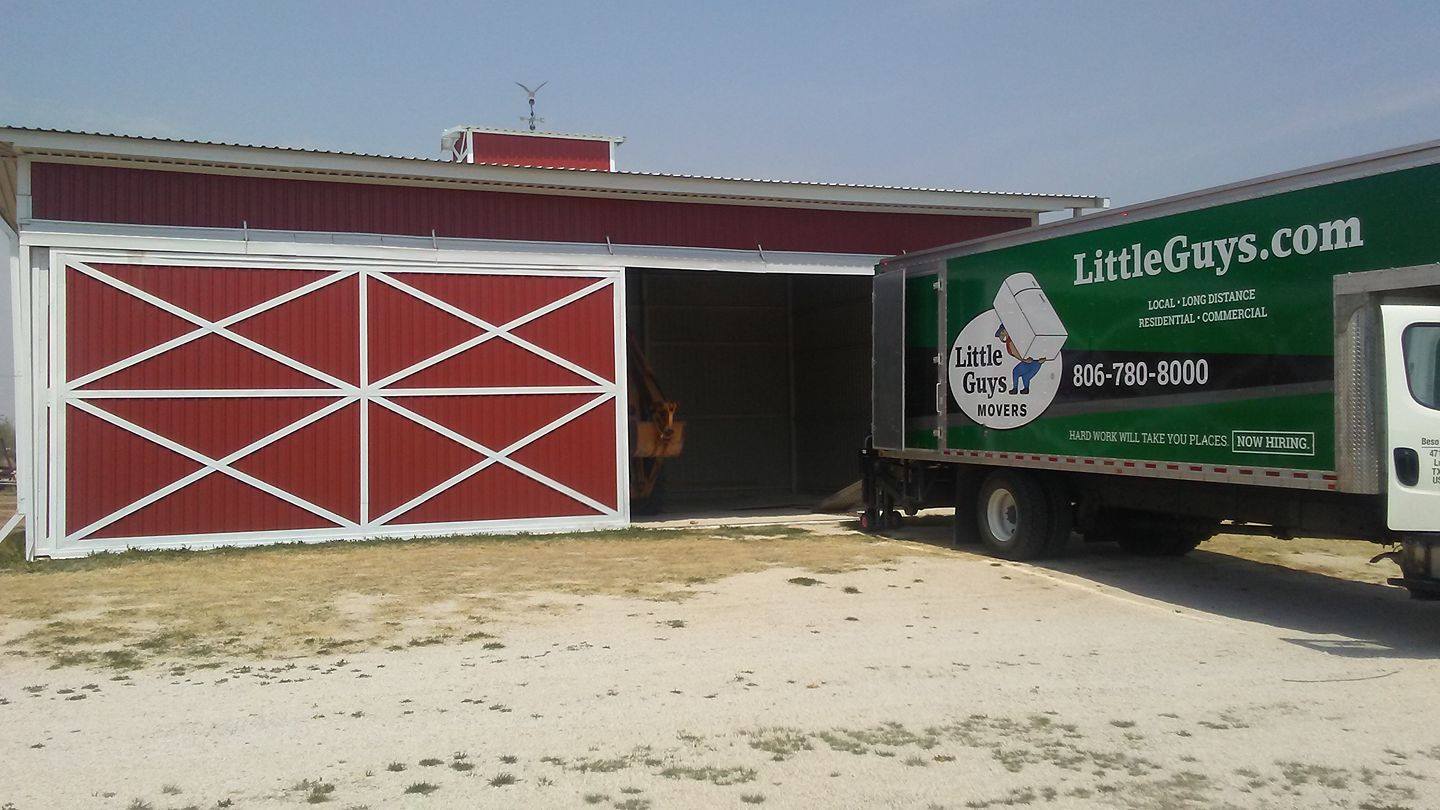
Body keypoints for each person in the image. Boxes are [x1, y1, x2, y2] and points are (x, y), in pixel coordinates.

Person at [996, 325, 1046, 395]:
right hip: (1035, 362)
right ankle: (1025, 389)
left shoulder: (1010, 341)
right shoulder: (1010, 340)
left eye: (1003, 332)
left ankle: (1015, 389)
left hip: (1032, 362)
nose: (1002, 334)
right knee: (1025, 376)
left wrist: (1023, 360)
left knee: (1016, 372)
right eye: (1002, 332)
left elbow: (1014, 352)